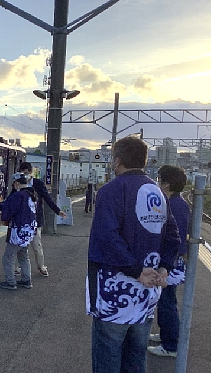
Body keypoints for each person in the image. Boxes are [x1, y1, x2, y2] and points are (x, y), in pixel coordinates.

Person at [86, 136, 180, 373]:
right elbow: (173, 236)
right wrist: (164, 268)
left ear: (117, 161)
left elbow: (108, 238)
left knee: (108, 357)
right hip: (148, 294)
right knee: (136, 357)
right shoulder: (157, 192)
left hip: (114, 295)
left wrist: (136, 271)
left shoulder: (110, 191)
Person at [147, 165, 190, 358]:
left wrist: (166, 264)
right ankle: (167, 335)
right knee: (165, 301)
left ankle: (171, 345)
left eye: (160, 179)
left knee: (166, 303)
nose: (158, 182)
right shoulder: (175, 202)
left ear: (167, 184)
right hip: (171, 261)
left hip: (171, 263)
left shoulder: (175, 205)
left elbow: (176, 240)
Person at [17, 162, 67, 277]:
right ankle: (20, 267)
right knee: (21, 245)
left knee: (36, 244)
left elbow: (47, 197)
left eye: (26, 173)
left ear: (30, 172)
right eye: (22, 173)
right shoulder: (18, 184)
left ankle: (41, 266)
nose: (24, 175)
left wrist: (57, 211)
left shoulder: (38, 184)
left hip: (35, 219)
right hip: (21, 219)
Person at [0, 172, 37, 290]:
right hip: (29, 230)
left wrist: (2, 213)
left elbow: (8, 212)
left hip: (18, 231)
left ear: (16, 183)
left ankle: (10, 282)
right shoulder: (32, 195)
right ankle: (26, 280)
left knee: (8, 257)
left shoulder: (18, 196)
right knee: (23, 255)